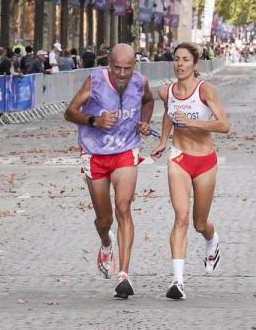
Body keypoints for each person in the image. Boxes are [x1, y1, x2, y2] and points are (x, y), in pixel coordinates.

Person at [64, 43, 154, 299]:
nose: (123, 74)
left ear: (135, 65)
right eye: (117, 68)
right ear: (109, 65)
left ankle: (124, 274)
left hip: (126, 151)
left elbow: (148, 101)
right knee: (105, 220)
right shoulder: (94, 81)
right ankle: (105, 242)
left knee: (124, 207)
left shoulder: (141, 82)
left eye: (127, 68)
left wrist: (145, 122)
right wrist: (95, 121)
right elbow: (69, 112)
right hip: (95, 154)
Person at [151, 42, 230, 300]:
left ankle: (212, 239)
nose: (180, 64)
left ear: (195, 65)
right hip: (179, 158)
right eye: (176, 59)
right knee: (181, 217)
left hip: (205, 160)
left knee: (199, 223)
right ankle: (178, 281)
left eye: (185, 60)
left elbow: (223, 125)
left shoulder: (205, 90)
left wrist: (192, 122)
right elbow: (168, 114)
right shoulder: (167, 91)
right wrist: (163, 140)